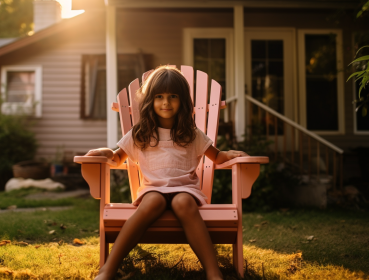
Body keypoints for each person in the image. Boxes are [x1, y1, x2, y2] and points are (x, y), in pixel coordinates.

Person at [85, 66, 248, 280]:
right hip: (153, 189)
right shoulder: (141, 133)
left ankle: (213, 272)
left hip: (185, 190)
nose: (166, 103)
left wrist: (232, 155)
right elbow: (116, 157)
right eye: (159, 97)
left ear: (183, 101)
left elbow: (216, 157)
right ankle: (108, 269)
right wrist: (103, 152)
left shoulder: (191, 133)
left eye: (173, 96)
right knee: (152, 202)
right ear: (151, 100)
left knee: (183, 203)